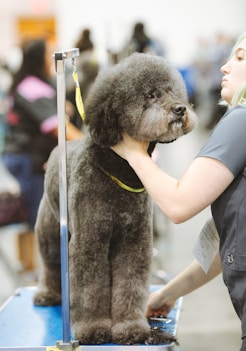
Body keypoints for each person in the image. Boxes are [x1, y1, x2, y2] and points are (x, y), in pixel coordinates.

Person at [111, 32, 246, 351]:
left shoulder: (241, 121)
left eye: (239, 58)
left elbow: (178, 204)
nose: (225, 67)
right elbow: (223, 242)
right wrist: (168, 293)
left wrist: (132, 152)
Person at [2, 37, 84, 270]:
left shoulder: (32, 82)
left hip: (25, 155)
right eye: (50, 54)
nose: (53, 59)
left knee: (32, 211)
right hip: (27, 157)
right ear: (38, 58)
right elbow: (57, 125)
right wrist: (90, 146)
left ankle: (30, 267)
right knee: (37, 215)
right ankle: (36, 272)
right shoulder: (30, 86)